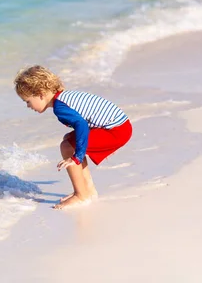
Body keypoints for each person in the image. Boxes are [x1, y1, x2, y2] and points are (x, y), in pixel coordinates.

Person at [13, 65, 132, 209]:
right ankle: (88, 190)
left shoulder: (60, 107)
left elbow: (81, 124)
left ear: (40, 94)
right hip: (120, 127)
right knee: (68, 140)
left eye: (27, 101)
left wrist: (77, 156)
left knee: (67, 146)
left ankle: (81, 195)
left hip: (115, 131)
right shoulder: (63, 97)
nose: (28, 106)